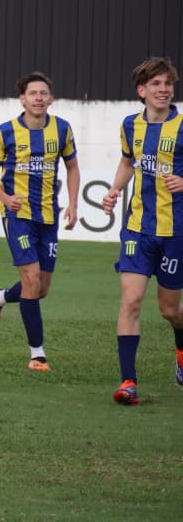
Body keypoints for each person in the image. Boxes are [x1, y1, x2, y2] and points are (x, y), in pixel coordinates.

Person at [0, 71, 79, 371]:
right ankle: (37, 355)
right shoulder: (5, 132)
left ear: (51, 98)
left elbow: (73, 168)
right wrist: (5, 197)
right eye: (33, 93)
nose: (38, 98)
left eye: (43, 93)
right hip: (18, 214)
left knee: (41, 289)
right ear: (22, 99)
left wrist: (73, 204)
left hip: (48, 215)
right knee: (31, 278)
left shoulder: (62, 130)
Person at [101, 56, 183, 406]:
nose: (164, 89)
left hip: (175, 231)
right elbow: (127, 161)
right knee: (131, 300)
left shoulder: (182, 126)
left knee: (169, 310)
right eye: (157, 84)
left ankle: (180, 348)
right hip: (137, 229)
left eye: (168, 84)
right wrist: (115, 189)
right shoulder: (130, 125)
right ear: (142, 90)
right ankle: (128, 381)